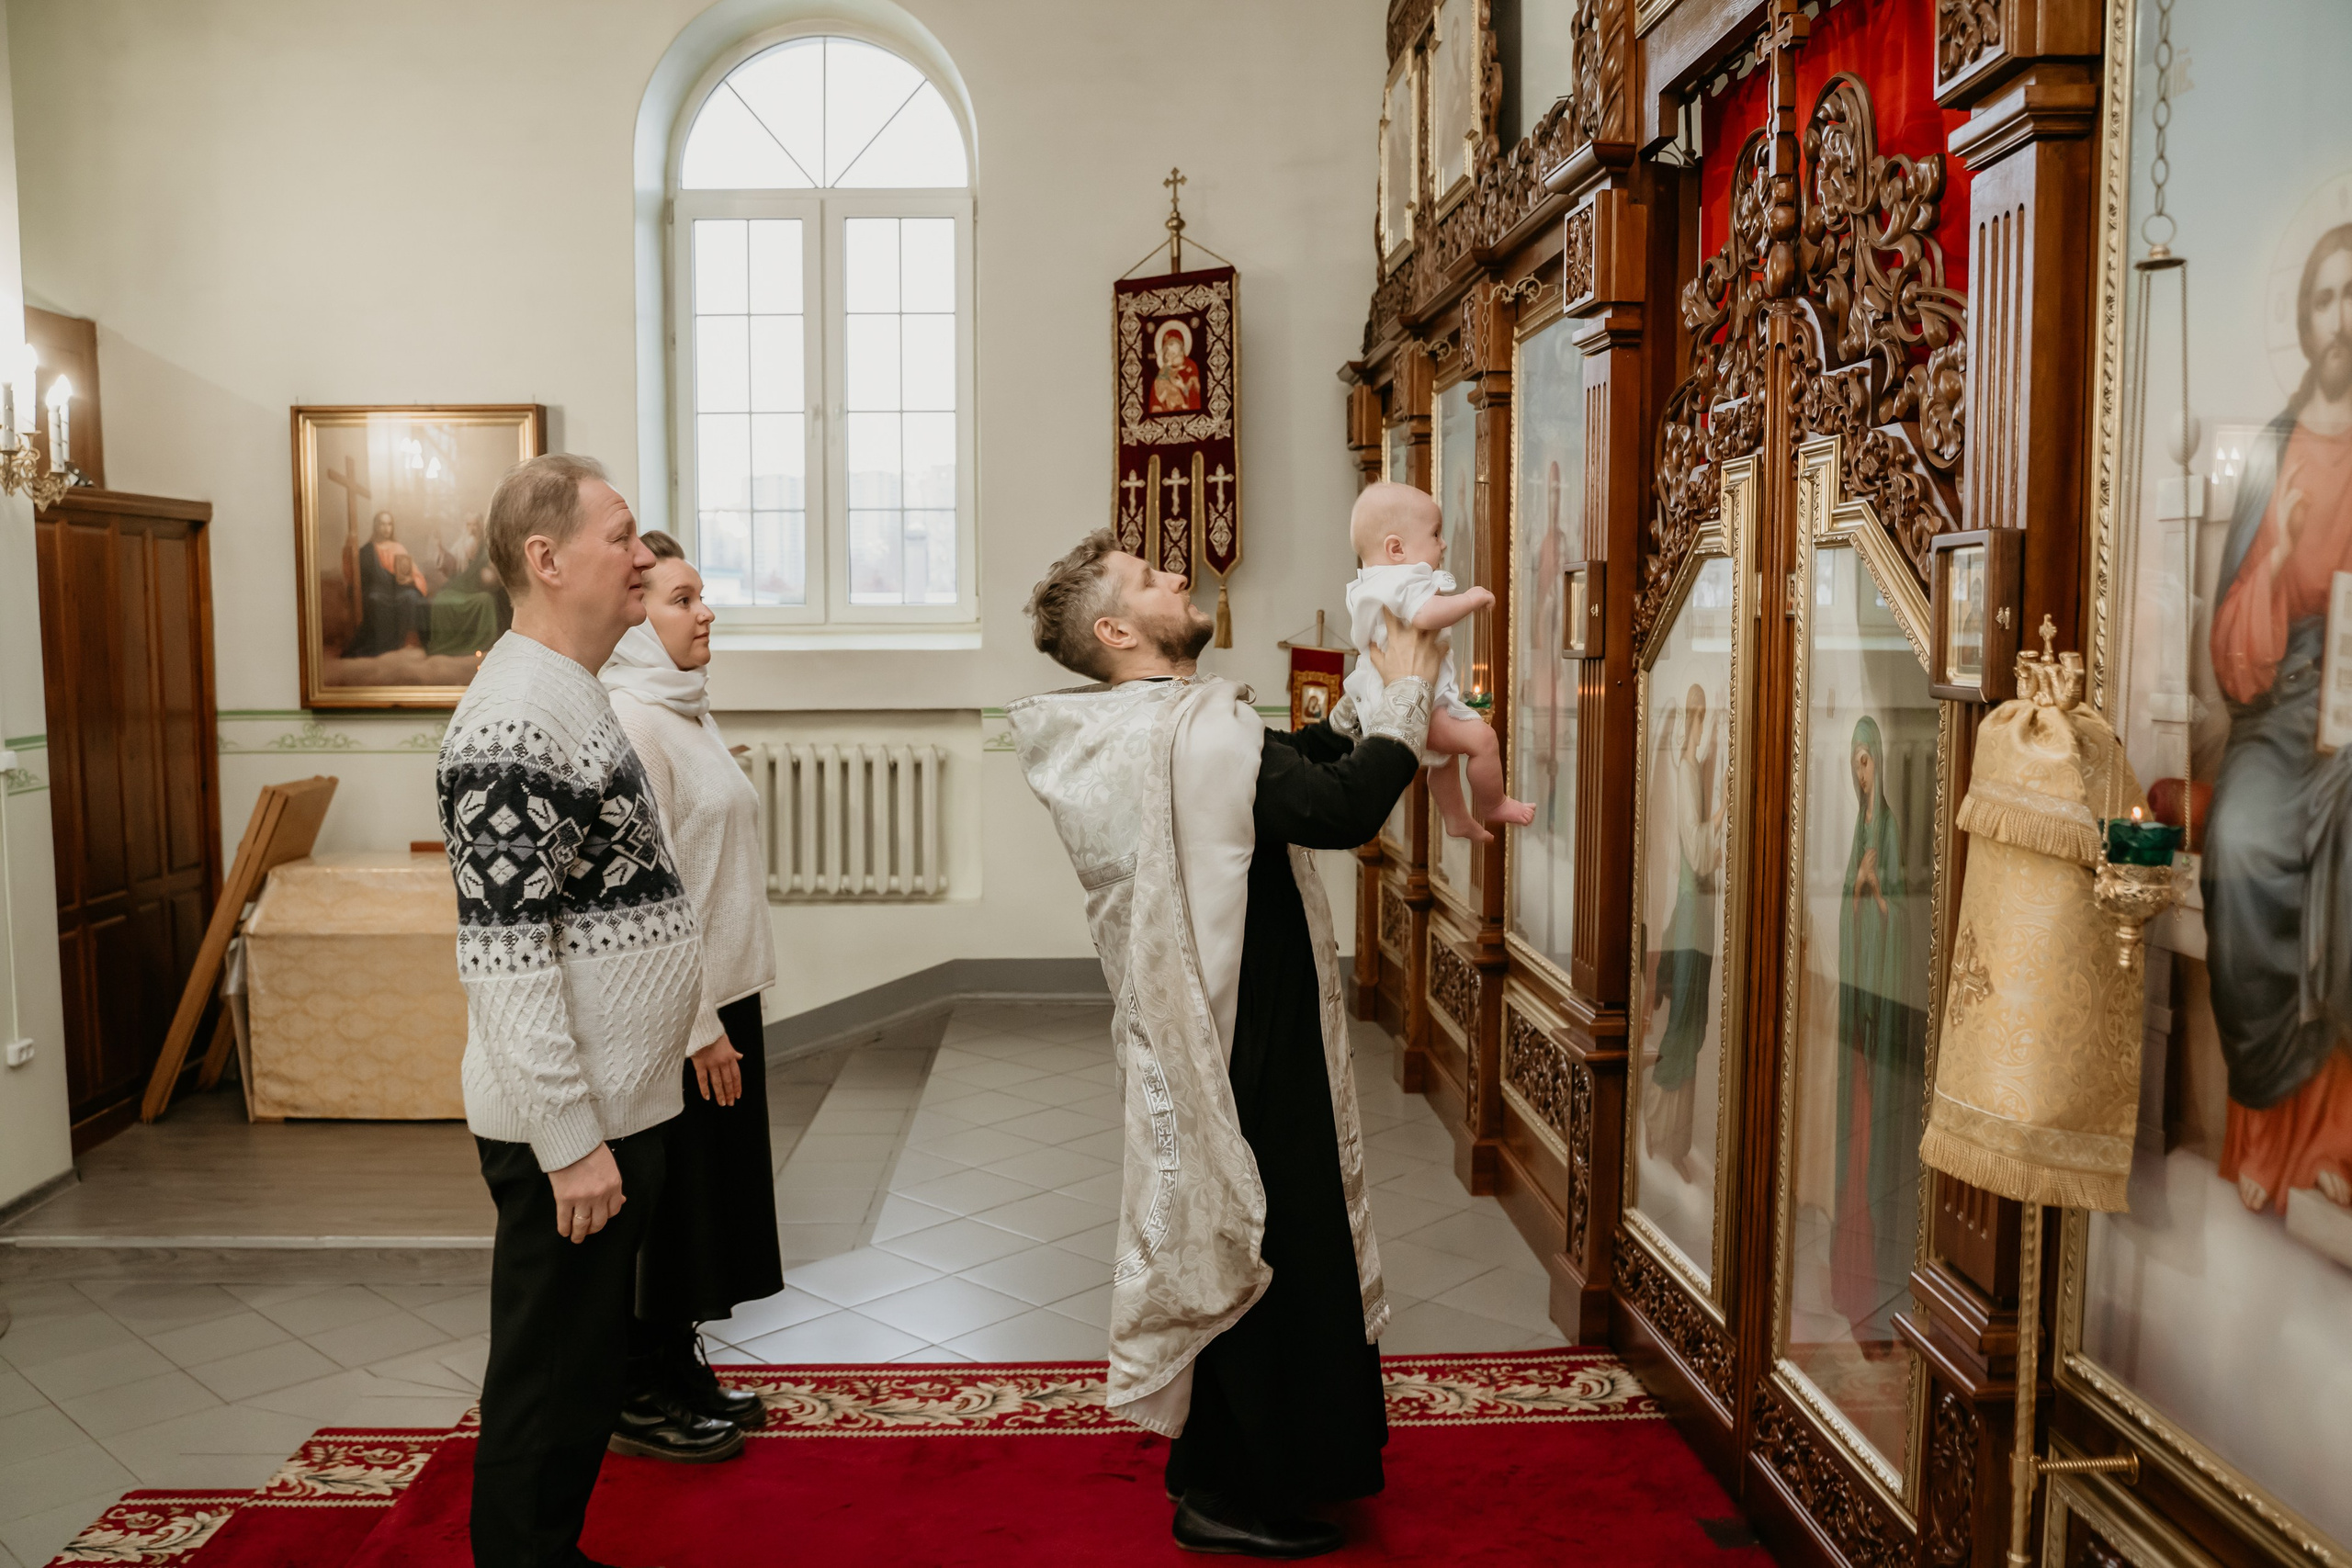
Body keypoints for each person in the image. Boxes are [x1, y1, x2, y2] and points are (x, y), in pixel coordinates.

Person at [1007, 528, 1443, 1560]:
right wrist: (1408, 701)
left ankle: (1235, 1469)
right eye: (1152, 581)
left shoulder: (1162, 725)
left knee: (1266, 1236)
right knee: (1265, 1242)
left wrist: (1369, 702)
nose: (1180, 579)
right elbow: (1336, 810)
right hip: (1239, 1033)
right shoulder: (1183, 734)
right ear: (1117, 631)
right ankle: (1234, 1494)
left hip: (1225, 1010)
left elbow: (1294, 770)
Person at [436, 453, 741, 1568]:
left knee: (581, 1370)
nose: (644, 556)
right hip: (573, 1127)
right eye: (622, 537)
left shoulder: (572, 692)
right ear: (546, 558)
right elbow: (507, 958)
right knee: (548, 1373)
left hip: (623, 1101)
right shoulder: (512, 719)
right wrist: (570, 1144)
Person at [598, 529, 781, 1450]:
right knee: (668, 1212)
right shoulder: (630, 719)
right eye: (681, 599)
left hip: (719, 997)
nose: (705, 611)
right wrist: (698, 1024)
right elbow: (650, 893)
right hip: (680, 1013)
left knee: (703, 1206)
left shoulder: (681, 706)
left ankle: (677, 1365)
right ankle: (639, 1390)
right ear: (634, 620)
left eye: (702, 593)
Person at [2203, 222, 2352, 1216]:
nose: (2342, 318)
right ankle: (2269, 1127)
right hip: (2281, 703)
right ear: (2304, 319)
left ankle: (2336, 1140)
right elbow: (2227, 646)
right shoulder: (2269, 450)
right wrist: (2280, 550)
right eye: (2327, 299)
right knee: (2242, 841)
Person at [1342, 482, 1535, 840]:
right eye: (1435, 534)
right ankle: (1493, 803)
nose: (1443, 544)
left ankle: (1456, 818)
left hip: (1401, 701)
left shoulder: (1374, 582)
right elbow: (1426, 615)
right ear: (1396, 548)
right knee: (1483, 740)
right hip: (1414, 704)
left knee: (1444, 760)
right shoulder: (1399, 581)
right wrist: (1471, 598)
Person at [1828, 715, 1923, 1351]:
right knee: (1854, 1154)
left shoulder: (1886, 828)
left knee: (1876, 1150)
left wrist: (1875, 892)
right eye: (1855, 761)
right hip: (1858, 1013)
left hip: (1884, 1015)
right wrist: (1857, 891)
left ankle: (1879, 1302)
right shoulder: (1861, 830)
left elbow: (1902, 919)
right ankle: (1852, 1288)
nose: (1862, 772)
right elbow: (1846, 909)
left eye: (1869, 761)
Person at [1645, 682, 1724, 1180]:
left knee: (1690, 1024)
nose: (1699, 725)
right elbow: (1695, 851)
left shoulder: (1688, 768)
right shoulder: (1686, 769)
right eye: (1697, 716)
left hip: (1697, 910)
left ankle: (1673, 1142)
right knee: (1685, 1026)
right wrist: (1720, 814)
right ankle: (1658, 1127)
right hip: (1692, 912)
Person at [345, 509, 432, 657]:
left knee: (411, 596)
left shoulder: (398, 548)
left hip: (397, 590)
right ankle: (381, 643)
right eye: (382, 524)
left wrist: (411, 580)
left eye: (389, 524)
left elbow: (415, 574)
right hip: (377, 590)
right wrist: (347, 549)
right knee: (374, 599)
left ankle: (406, 641)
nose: (386, 528)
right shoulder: (367, 550)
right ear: (376, 526)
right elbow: (355, 575)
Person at [429, 513, 509, 657]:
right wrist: (440, 547)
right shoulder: (462, 543)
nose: (472, 529)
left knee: (486, 601)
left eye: (475, 525)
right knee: (441, 599)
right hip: (461, 585)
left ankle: (481, 643)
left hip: (480, 589)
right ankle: (448, 642)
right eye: (469, 525)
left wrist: (490, 573)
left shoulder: (488, 545)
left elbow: (496, 571)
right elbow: (451, 566)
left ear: (480, 526)